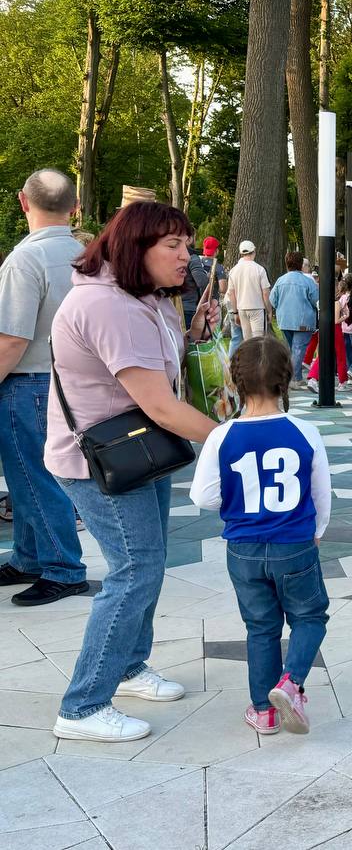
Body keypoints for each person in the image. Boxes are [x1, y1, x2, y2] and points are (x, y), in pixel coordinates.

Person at [47, 201, 220, 742]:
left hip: (138, 451)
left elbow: (153, 368)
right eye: (173, 245)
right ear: (135, 248)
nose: (184, 257)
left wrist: (189, 332)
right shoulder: (110, 307)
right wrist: (233, 440)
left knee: (144, 564)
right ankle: (82, 706)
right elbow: (161, 405)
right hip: (101, 460)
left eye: (187, 245)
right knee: (133, 570)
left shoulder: (138, 298)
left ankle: (126, 667)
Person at [190, 336, 331, 735]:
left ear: (235, 383)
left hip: (244, 548)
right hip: (295, 544)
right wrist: (317, 531)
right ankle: (291, 683)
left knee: (261, 627)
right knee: (309, 616)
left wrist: (238, 501)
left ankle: (263, 711)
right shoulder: (304, 431)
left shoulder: (222, 435)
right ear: (285, 382)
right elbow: (321, 492)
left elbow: (202, 496)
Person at [0, 169, 88, 606]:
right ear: (74, 206)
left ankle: (63, 567)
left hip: (27, 379)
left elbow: (12, 339)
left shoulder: (24, 260)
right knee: (32, 476)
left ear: (23, 202)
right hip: (66, 380)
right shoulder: (84, 254)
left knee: (34, 478)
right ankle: (29, 556)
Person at [269, 251, 320, 387]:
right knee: (298, 350)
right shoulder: (307, 281)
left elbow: (272, 300)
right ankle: (294, 379)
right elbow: (316, 300)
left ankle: (293, 376)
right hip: (303, 320)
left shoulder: (281, 280)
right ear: (300, 264)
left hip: (285, 319)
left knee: (292, 349)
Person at [228, 240, 273, 345]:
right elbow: (265, 293)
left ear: (241, 254)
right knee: (259, 342)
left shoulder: (234, 270)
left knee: (247, 342)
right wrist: (269, 310)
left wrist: (235, 312)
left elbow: (231, 293)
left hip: (241, 308)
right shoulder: (259, 269)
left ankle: (249, 361)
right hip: (257, 308)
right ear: (254, 252)